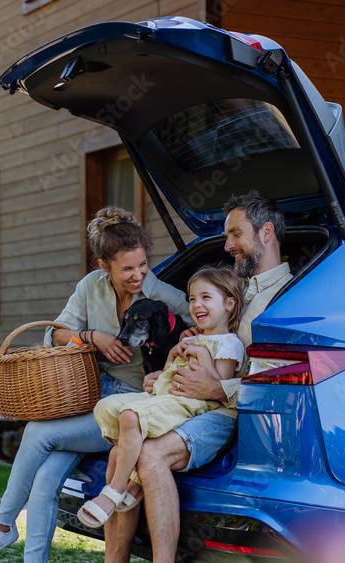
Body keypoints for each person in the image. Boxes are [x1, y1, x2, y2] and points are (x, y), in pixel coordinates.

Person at [0, 207, 190, 563]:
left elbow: (204, 324)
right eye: (127, 269)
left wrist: (181, 351)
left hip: (126, 406)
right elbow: (55, 335)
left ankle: (2, 524)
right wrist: (92, 336)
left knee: (38, 433)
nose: (138, 275)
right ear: (104, 266)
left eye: (143, 264)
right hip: (85, 396)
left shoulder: (162, 294)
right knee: (45, 479)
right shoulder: (90, 287)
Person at [104, 191, 293, 563]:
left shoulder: (289, 297)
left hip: (239, 417)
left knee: (150, 455)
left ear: (266, 232)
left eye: (235, 234)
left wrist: (219, 388)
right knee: (118, 452)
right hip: (190, 405)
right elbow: (207, 347)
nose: (227, 245)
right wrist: (165, 378)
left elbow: (276, 377)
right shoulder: (232, 290)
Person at [76, 266, 245, 528]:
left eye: (205, 297)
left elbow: (217, 388)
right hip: (166, 394)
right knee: (106, 407)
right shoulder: (193, 337)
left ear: (229, 303)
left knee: (130, 416)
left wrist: (201, 354)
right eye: (192, 298)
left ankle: (115, 491)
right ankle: (134, 479)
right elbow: (168, 372)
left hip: (191, 403)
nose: (196, 304)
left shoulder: (229, 343)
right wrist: (173, 354)